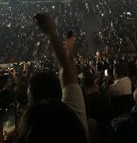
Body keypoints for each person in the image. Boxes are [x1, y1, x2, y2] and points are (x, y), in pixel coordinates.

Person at [16, 13, 88, 143]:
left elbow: (67, 72)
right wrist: (53, 34)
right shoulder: (73, 113)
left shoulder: (30, 130)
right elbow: (68, 71)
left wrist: (53, 34)